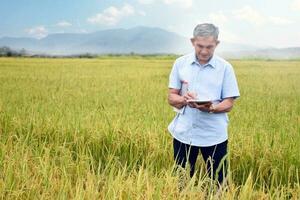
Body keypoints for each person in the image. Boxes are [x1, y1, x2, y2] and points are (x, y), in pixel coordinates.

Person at [167, 23, 240, 189]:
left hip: (214, 135)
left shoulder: (225, 68)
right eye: (200, 46)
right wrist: (184, 99)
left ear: (217, 44)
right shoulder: (180, 63)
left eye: (210, 47)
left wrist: (211, 108)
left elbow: (229, 103)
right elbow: (171, 97)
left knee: (218, 184)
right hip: (184, 133)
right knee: (182, 182)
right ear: (193, 41)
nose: (204, 51)